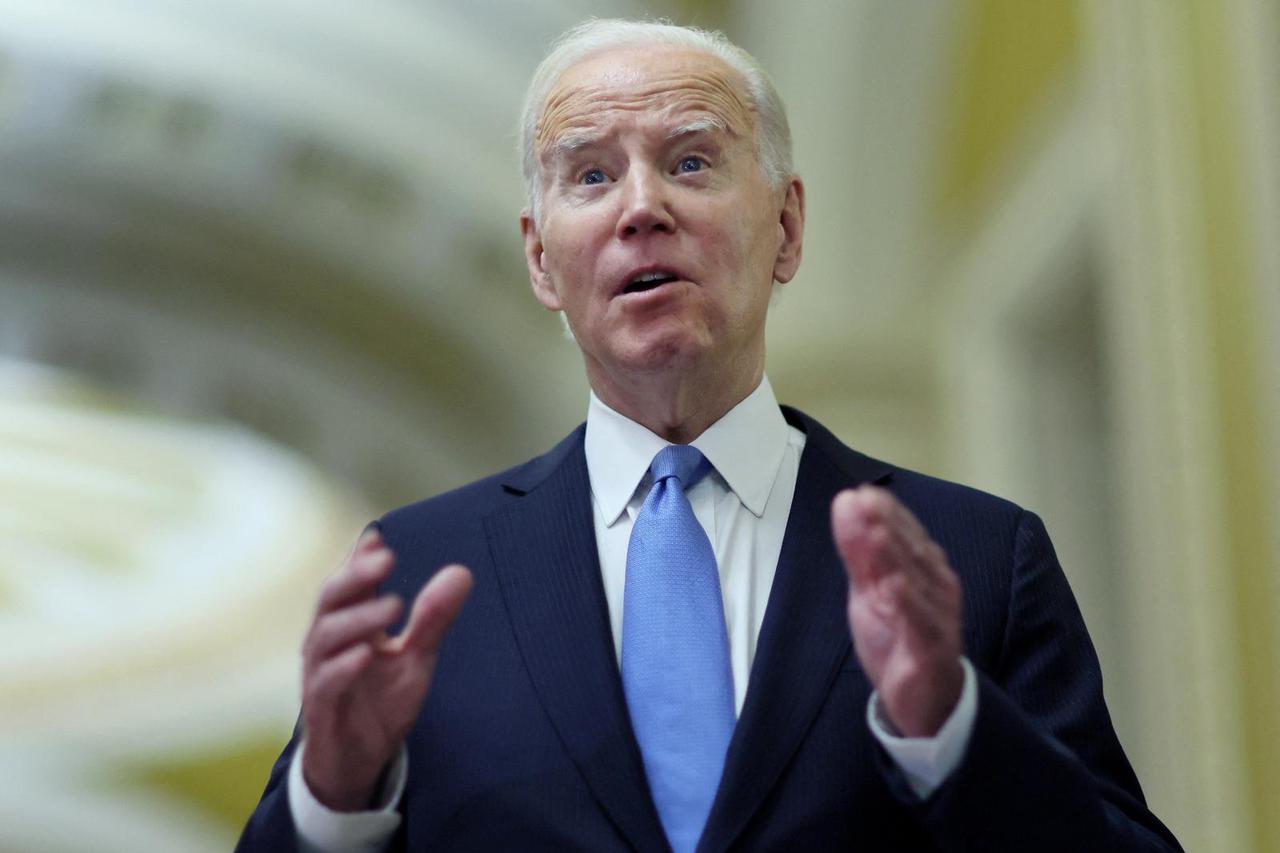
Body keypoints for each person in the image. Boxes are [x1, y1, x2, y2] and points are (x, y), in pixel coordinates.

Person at [237, 19, 1181, 853]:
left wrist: (953, 730)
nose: (641, 207)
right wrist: (334, 798)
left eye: (690, 160)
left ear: (788, 226)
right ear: (540, 258)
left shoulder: (975, 556)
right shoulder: (416, 576)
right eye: (592, 174)